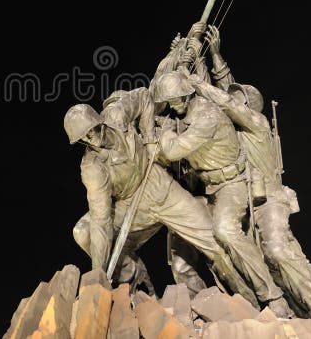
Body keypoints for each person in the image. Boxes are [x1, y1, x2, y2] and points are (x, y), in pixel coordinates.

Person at [190, 25, 311, 323]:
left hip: (270, 202)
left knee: (279, 252)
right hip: (245, 200)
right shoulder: (233, 128)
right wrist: (208, 58)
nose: (232, 100)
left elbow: (225, 100)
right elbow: (224, 96)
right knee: (254, 258)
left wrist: (201, 84)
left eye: (239, 99)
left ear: (249, 106)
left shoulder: (257, 123)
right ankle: (289, 309)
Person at [65, 88, 257, 306]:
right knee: (83, 232)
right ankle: (135, 281)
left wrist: (148, 139)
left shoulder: (117, 115)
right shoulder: (92, 167)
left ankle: (250, 298)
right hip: (131, 206)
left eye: (91, 130)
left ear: (98, 121)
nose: (91, 138)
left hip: (163, 190)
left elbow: (145, 96)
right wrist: (98, 274)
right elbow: (101, 220)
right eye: (84, 138)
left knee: (214, 243)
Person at [153, 70, 292, 317]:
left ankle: (272, 295)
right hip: (205, 188)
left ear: (187, 96)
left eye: (176, 101)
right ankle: (199, 307)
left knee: (225, 230)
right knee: (181, 246)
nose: (173, 107)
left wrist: (163, 131)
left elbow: (173, 150)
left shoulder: (207, 115)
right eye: (170, 102)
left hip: (231, 183)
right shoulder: (180, 116)